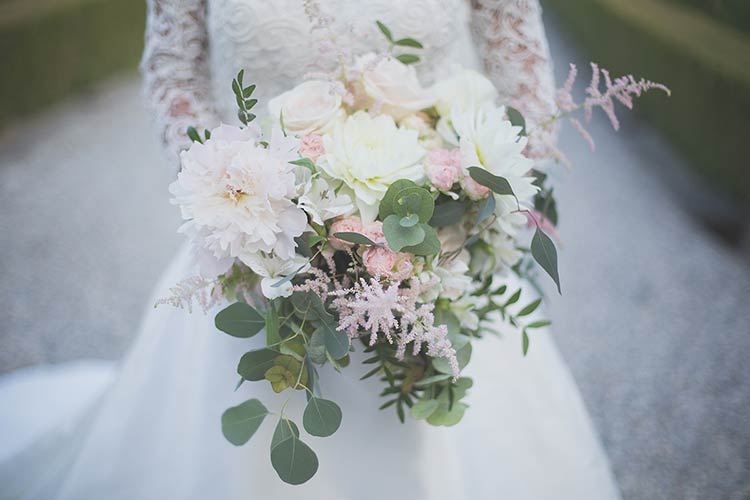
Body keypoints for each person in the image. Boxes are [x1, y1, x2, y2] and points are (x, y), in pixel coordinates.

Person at [0, 1, 622, 498]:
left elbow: (528, 90)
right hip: (253, 257)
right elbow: (173, 74)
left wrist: (461, 216)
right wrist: (233, 199)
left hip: (440, 267)